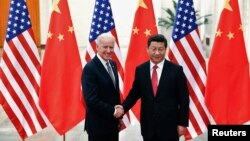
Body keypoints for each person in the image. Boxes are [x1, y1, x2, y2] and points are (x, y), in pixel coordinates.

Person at [116, 34, 189, 141]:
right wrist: (123, 108)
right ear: (147, 49)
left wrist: (182, 123)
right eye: (153, 49)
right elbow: (134, 94)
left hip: (170, 126)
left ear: (165, 49)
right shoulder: (141, 70)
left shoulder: (176, 70)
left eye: (161, 49)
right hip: (148, 126)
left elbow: (184, 99)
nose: (157, 53)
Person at [82, 33, 124, 141]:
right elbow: (91, 100)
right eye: (105, 47)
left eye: (111, 47)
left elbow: (114, 92)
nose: (109, 50)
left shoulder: (113, 64)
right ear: (97, 47)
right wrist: (113, 111)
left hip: (112, 124)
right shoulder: (90, 68)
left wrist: (118, 115)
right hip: (98, 127)